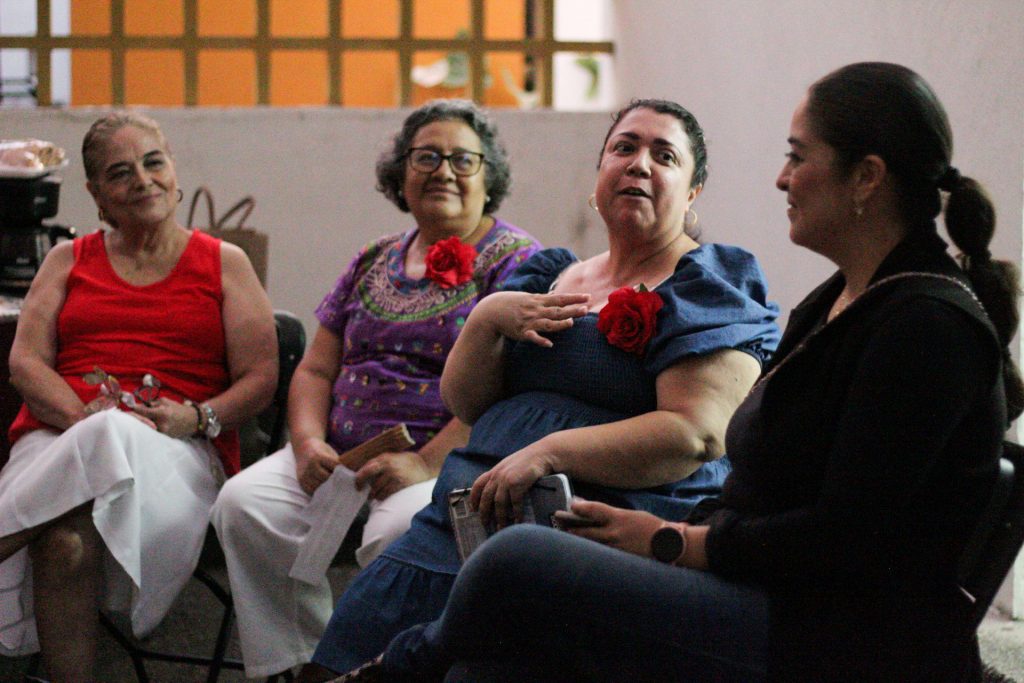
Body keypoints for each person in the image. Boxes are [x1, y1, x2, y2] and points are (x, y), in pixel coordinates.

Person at [324, 63, 1024, 683]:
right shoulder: (844, 299)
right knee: (493, 664)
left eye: (797, 156)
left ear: (866, 177)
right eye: (622, 148)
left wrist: (674, 540)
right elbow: (766, 488)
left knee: (518, 562)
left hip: (829, 636)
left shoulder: (927, 328)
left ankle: (396, 667)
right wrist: (667, 535)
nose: (781, 177)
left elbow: (842, 541)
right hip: (762, 583)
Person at [299, 98, 781, 681]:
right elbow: (466, 403)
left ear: (692, 192)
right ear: (599, 175)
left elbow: (695, 435)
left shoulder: (707, 284)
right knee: (338, 656)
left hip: (585, 540)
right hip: (457, 526)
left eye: (665, 156)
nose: (639, 164)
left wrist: (548, 452)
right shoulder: (551, 274)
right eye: (624, 148)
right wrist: (486, 319)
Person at [210, 99, 541, 679]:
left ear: (489, 179)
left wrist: (425, 463)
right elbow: (315, 370)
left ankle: (377, 670)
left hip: (446, 462)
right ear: (401, 174)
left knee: (400, 533)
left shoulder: (518, 262)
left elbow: (510, 387)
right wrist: (307, 444)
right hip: (340, 456)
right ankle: (303, 660)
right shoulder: (374, 256)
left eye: (463, 160)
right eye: (427, 157)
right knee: (244, 505)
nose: (443, 171)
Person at [0, 112, 277, 682]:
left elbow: (261, 378)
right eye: (120, 172)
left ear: (173, 172)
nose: (143, 180)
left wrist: (195, 417)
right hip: (57, 438)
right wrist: (78, 417)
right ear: (96, 195)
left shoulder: (225, 263)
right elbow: (25, 363)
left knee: (114, 429)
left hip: (174, 451)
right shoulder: (66, 260)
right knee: (64, 544)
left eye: (153, 163)